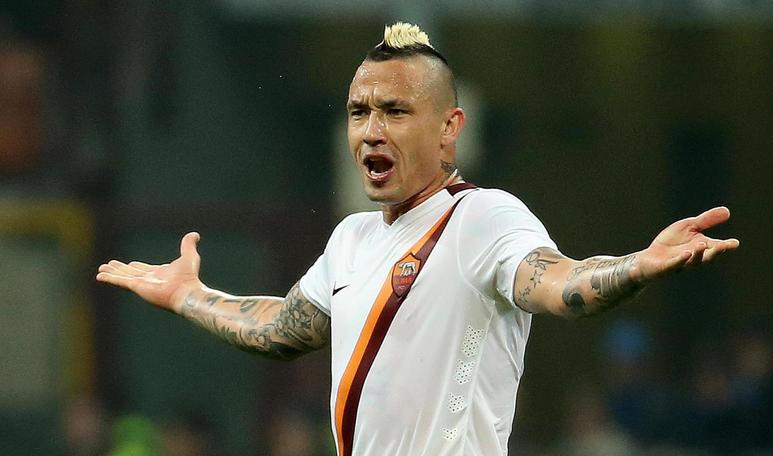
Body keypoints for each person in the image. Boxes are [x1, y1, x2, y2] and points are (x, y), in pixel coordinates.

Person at [97, 22, 740, 456]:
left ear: (449, 128)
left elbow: (559, 282)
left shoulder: (483, 218)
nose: (371, 131)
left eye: (395, 111)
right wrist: (188, 295)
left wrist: (637, 266)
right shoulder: (350, 239)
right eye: (359, 112)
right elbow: (283, 329)